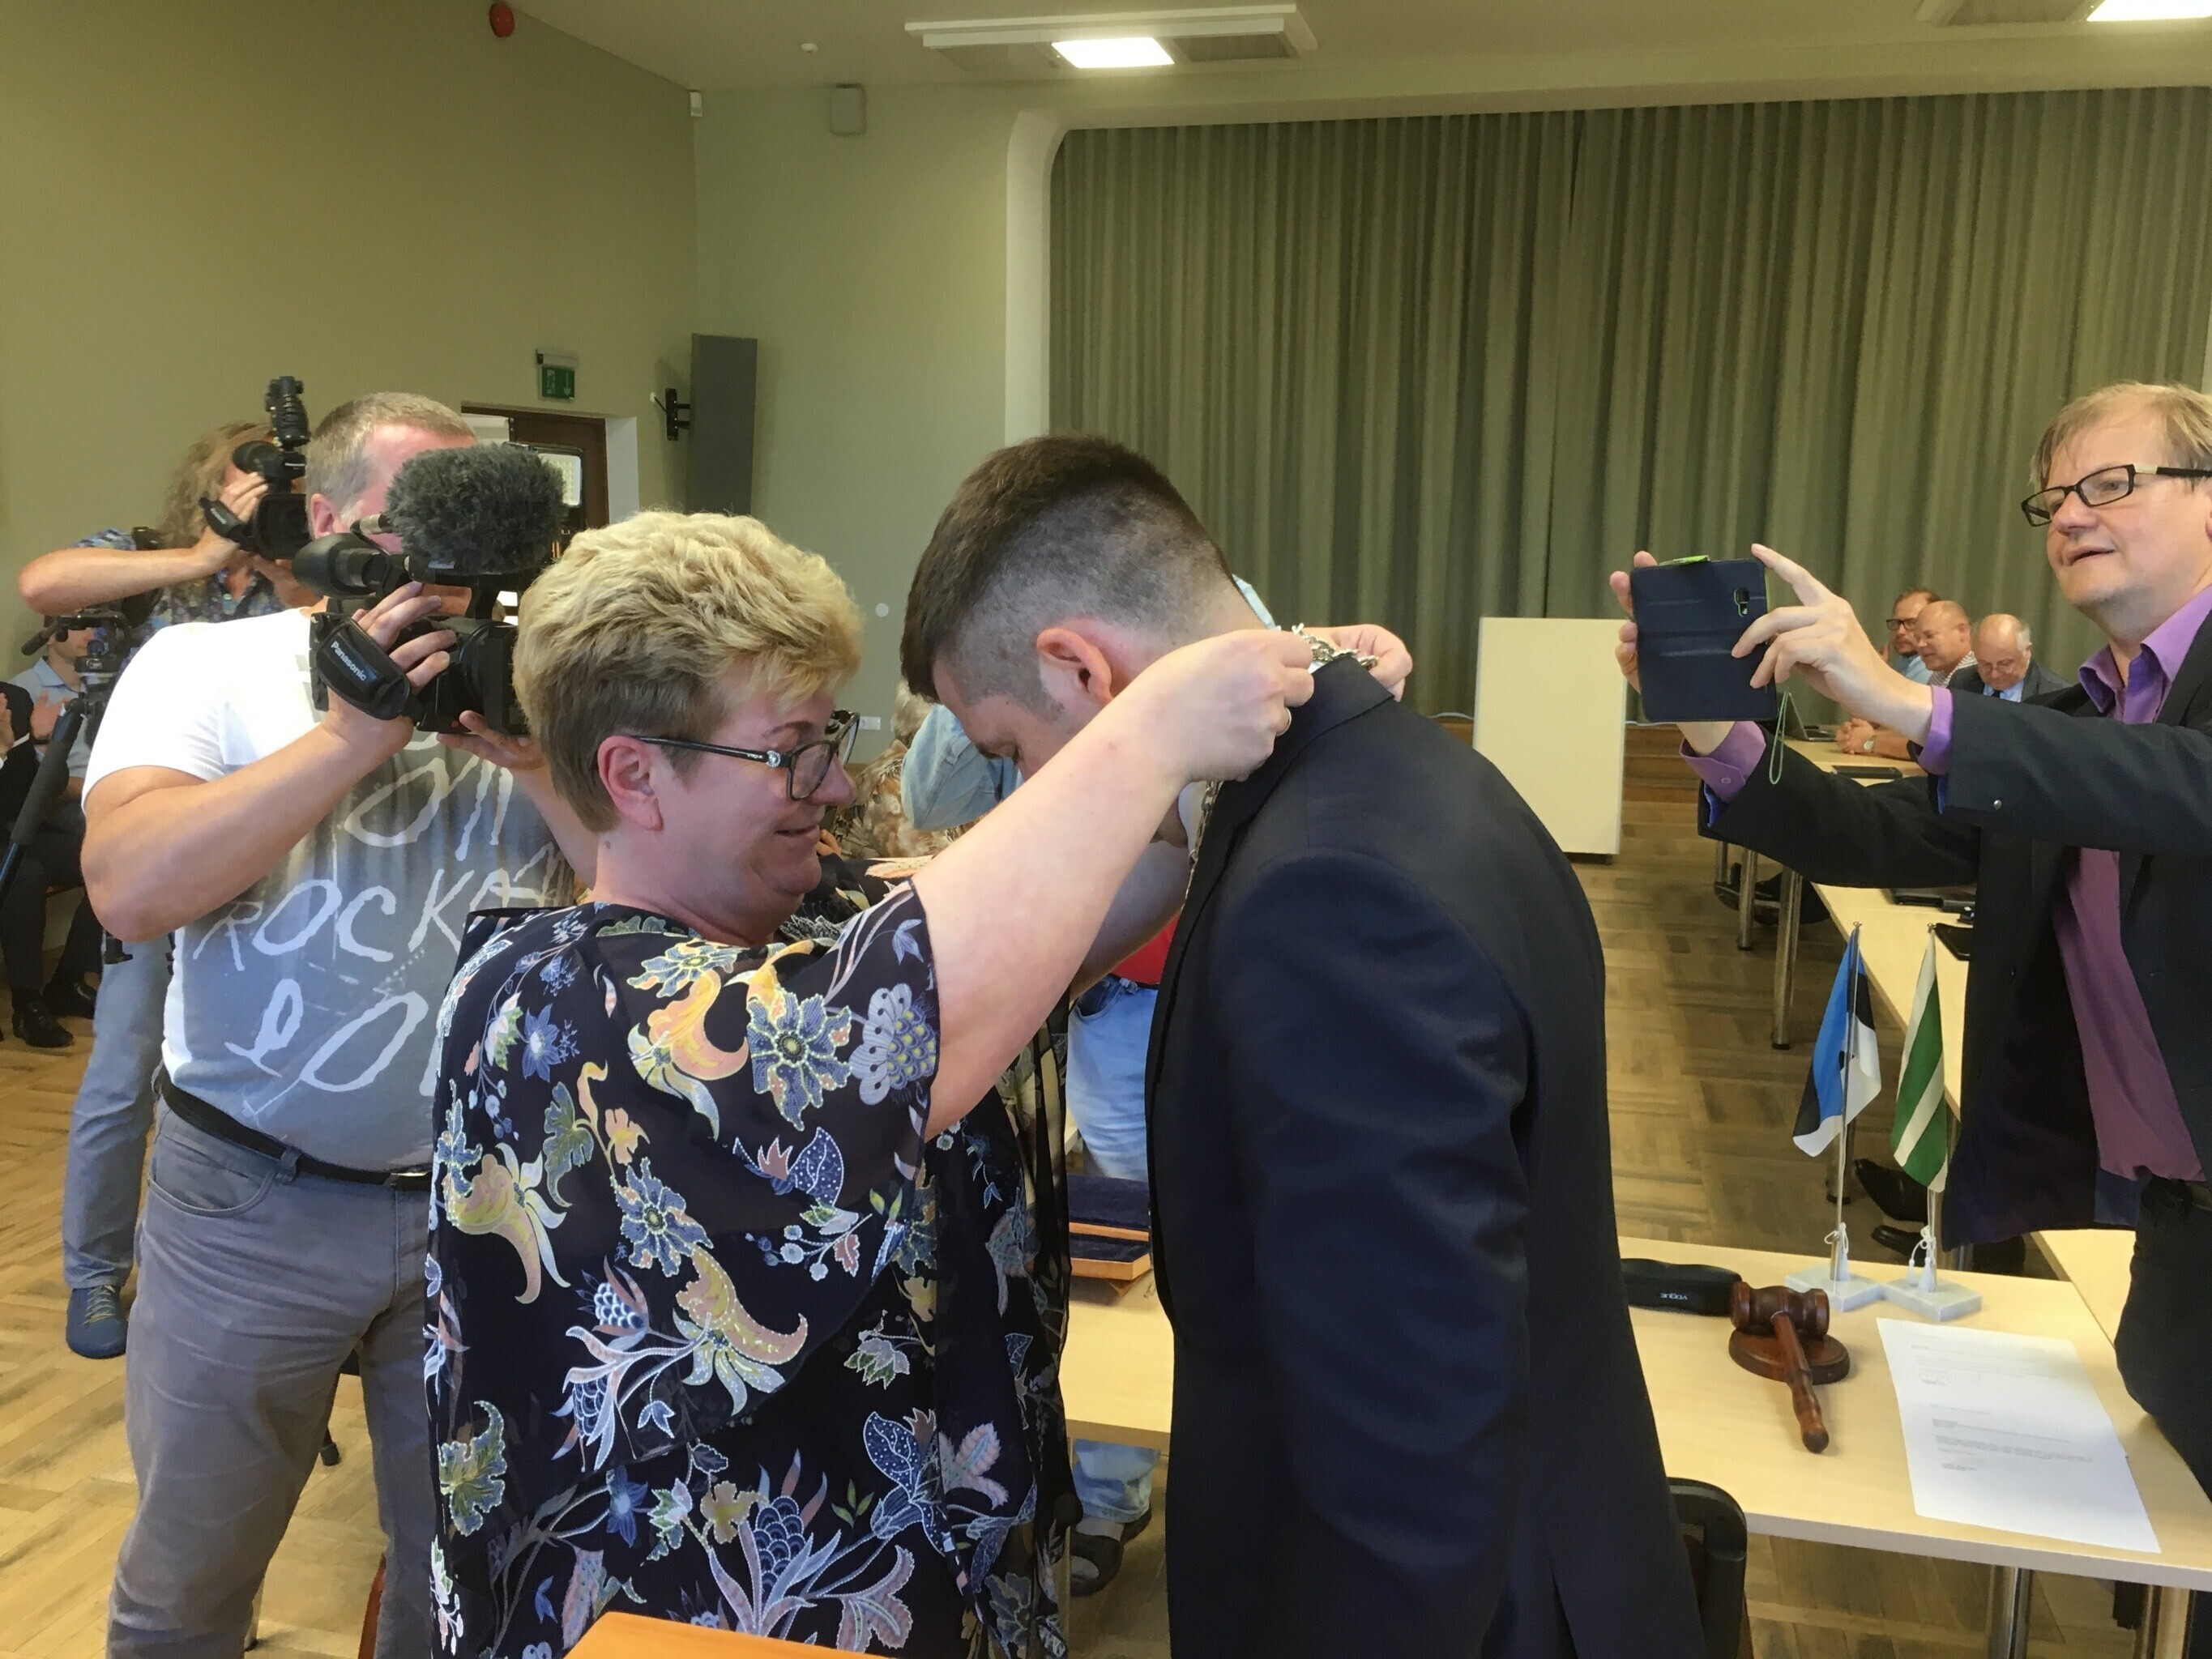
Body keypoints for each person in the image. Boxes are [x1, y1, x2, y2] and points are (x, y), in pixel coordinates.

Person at [426, 510, 1314, 1656]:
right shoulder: (564, 1006)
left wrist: (1281, 683)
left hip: (929, 1573)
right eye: (791, 748)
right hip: (699, 1620)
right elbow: (873, 1033)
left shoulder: (821, 915)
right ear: (634, 775)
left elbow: (1108, 891)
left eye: (830, 736)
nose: (837, 784)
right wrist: (1152, 728)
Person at [903, 435, 1703, 1659]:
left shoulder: (1323, 890)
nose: (1026, 788)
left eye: (1011, 751)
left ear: (1081, 668)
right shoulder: (1391, 770)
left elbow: (1408, 1453)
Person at [1608, 379, 2212, 1497]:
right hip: (2180, 1227)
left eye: (2110, 484)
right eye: (2053, 500)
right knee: (2174, 1515)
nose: (2070, 515)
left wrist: (1906, 703)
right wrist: (1710, 720)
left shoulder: (2090, 746)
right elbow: (1880, 835)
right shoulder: (2076, 727)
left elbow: (2184, 786)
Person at [82, 392, 594, 1657]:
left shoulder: (543, 682)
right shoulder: (205, 667)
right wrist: (343, 742)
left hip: (488, 1210)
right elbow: (130, 889)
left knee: (462, 1584)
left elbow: (649, 911)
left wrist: (541, 759)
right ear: (324, 517)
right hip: (250, 1203)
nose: (445, 563)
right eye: (414, 522)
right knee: (187, 1584)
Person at [26, 420, 318, 1359]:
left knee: (275, 1069)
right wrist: (203, 554)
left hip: (274, 852)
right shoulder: (150, 559)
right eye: (250, 479)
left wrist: (289, 561)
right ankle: (93, 1273)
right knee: (123, 1072)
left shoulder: (301, 569)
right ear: (209, 483)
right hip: (160, 849)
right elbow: (44, 583)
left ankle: (267, 1267)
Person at [0, 676, 100, 1045]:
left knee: (105, 856)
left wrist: (42, 745)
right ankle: (27, 1003)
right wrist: (1, 756)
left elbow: (35, 792)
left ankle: (68, 981)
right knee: (24, 875)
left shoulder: (15, 700)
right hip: (11, 838)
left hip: (16, 827)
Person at [1840, 598, 1978, 758]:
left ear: (1962, 631)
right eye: (1918, 638)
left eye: (1929, 636)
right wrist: (1859, 735)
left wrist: (1869, 742)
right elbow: (1915, 730)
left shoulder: (1974, 676)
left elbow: (1937, 745)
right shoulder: (1939, 674)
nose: (1920, 645)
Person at [1951, 612, 2065, 702]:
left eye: (2005, 664)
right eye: (1985, 664)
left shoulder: (2055, 693)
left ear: (2027, 651)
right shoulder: (1961, 682)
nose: (1994, 674)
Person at [1886, 586, 1940, 683]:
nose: (1900, 632)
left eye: (1912, 623)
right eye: (1896, 623)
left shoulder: (1930, 665)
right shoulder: (1905, 659)